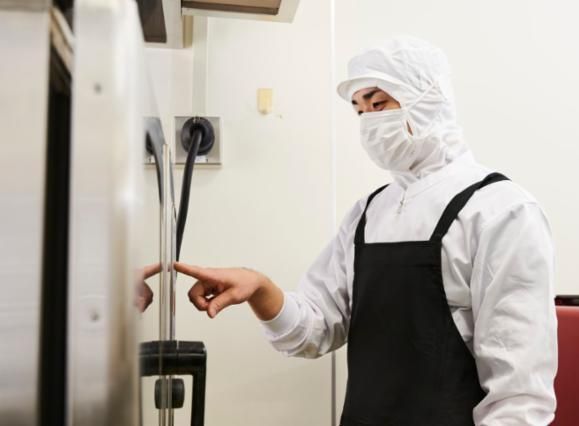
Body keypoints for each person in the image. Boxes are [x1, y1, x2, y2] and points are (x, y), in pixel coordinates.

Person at [173, 36, 558, 425]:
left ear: (426, 101)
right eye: (359, 110)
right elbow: (313, 329)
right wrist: (260, 288)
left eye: (378, 104)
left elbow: (519, 397)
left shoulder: (500, 211)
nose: (369, 122)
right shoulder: (369, 213)